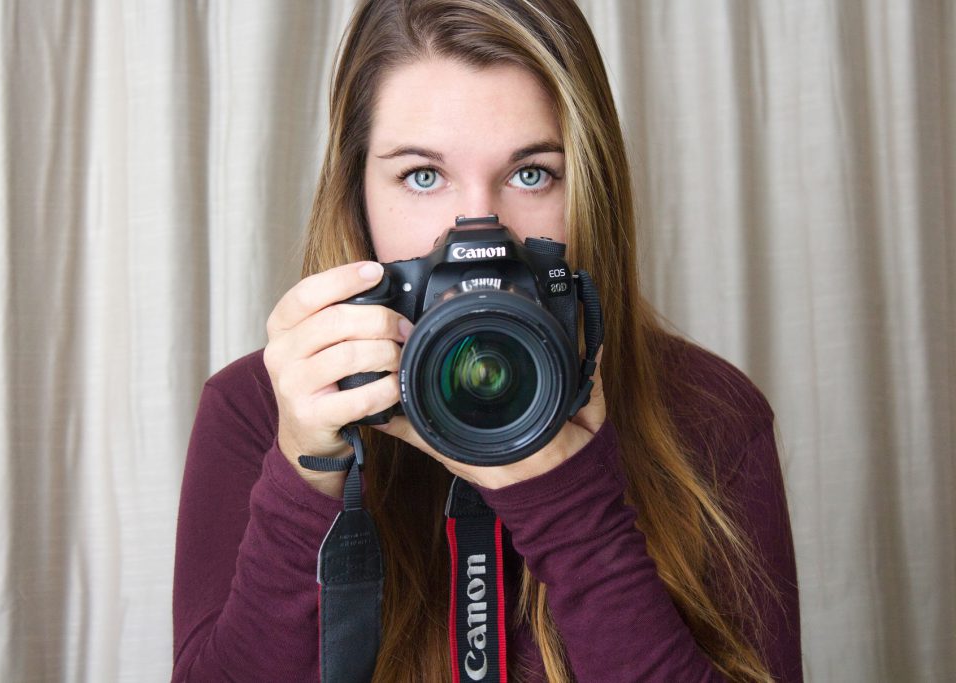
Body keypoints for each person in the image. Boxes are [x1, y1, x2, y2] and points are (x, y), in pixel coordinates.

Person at [172, 0, 802, 680]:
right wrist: (304, 482)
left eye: (531, 173)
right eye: (423, 176)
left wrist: (571, 505)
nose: (479, 230)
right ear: (357, 194)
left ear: (591, 187)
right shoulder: (261, 410)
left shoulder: (708, 412)